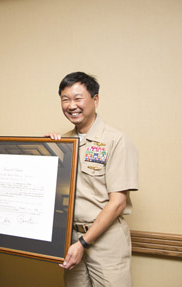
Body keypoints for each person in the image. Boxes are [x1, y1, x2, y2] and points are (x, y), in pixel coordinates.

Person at [48, 72, 138, 287]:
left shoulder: (116, 140)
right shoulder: (64, 143)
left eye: (78, 98)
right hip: (71, 239)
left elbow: (118, 203)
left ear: (95, 100)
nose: (71, 105)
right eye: (65, 99)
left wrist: (83, 243)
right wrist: (48, 150)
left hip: (105, 241)